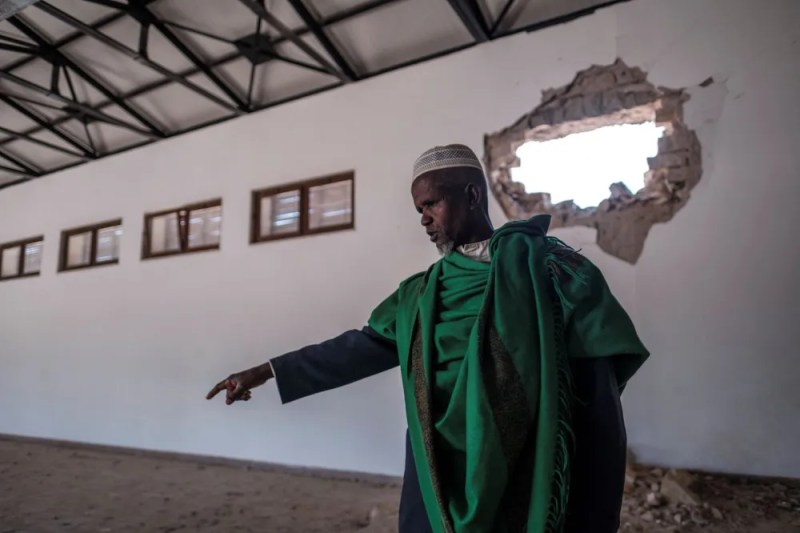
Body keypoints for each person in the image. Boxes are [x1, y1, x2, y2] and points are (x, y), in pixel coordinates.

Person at [207, 144, 649, 533]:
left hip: (527, 457)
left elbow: (598, 396)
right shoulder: (419, 294)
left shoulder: (553, 273)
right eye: (418, 209)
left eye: (431, 204)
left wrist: (596, 499)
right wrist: (266, 371)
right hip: (438, 455)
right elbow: (361, 347)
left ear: (472, 196)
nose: (423, 219)